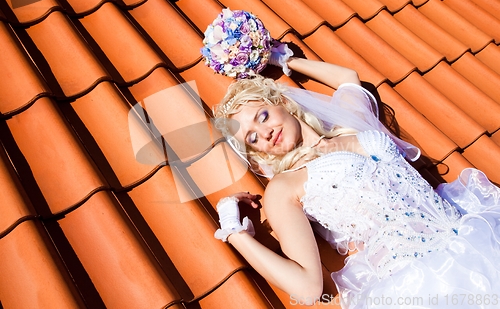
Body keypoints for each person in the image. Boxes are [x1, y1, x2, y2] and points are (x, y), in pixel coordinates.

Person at [212, 57, 500, 308]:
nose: (264, 133)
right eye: (252, 138)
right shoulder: (285, 187)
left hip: (472, 237)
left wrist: (280, 59)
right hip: (421, 282)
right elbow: (308, 288)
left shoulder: (347, 126)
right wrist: (234, 231)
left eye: (262, 116)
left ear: (283, 103)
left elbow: (347, 78)